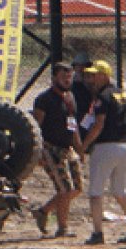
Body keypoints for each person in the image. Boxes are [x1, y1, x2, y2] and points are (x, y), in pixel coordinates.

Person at [79, 60, 126, 245]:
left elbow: (98, 124)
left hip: (105, 146)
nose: (91, 79)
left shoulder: (103, 97)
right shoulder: (122, 94)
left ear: (105, 76)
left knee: (96, 192)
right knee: (121, 192)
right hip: (124, 146)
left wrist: (84, 145)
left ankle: (98, 233)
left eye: (95, 75)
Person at [29, 63, 82, 238]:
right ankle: (62, 228)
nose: (67, 80)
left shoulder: (70, 98)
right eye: (63, 77)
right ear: (54, 78)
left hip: (68, 148)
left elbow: (73, 124)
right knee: (64, 189)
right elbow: (36, 125)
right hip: (50, 148)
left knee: (77, 188)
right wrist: (38, 151)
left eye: (69, 77)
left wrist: (79, 148)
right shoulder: (44, 99)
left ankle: (43, 211)